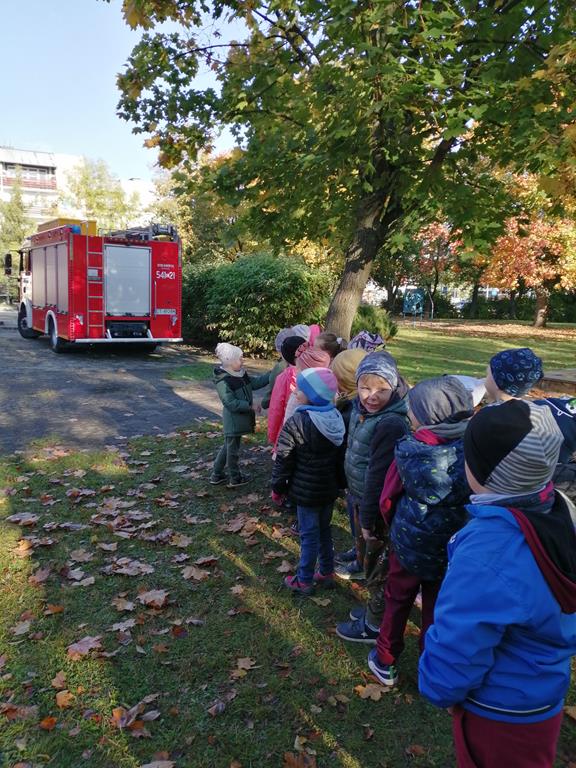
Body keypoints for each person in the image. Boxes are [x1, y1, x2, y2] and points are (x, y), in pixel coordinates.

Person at [419, 399, 576, 768]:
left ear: (484, 472)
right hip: (541, 695)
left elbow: (461, 639)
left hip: (496, 711)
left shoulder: (487, 552)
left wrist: (438, 687)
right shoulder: (562, 510)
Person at [367, 376, 473, 686]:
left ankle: (385, 659)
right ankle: (433, 664)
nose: (409, 413)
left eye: (413, 409)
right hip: (452, 548)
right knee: (437, 608)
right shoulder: (474, 450)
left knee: (397, 599)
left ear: (428, 415)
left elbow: (388, 498)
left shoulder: (408, 450)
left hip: (409, 546)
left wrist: (390, 526)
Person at [335, 351, 410, 642]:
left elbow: (378, 476)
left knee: (379, 568)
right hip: (359, 496)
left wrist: (368, 518)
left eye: (382, 389)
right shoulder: (360, 408)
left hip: (376, 507)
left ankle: (375, 625)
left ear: (394, 387)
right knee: (368, 561)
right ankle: (373, 611)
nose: (372, 396)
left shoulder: (390, 424)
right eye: (365, 388)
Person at [271, 367, 346, 595]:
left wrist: (278, 487)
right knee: (324, 530)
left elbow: (284, 459)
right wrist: (340, 484)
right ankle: (326, 571)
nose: (295, 391)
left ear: (312, 396)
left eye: (300, 389)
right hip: (328, 489)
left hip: (305, 492)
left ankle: (304, 579)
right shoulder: (337, 418)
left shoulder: (297, 422)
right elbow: (341, 458)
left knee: (308, 535)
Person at [210, 342, 271, 487]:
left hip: (239, 419)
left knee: (228, 446)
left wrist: (271, 374)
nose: (243, 360)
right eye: (240, 358)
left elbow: (255, 383)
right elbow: (229, 402)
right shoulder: (223, 380)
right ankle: (235, 478)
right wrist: (249, 406)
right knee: (232, 451)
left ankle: (216, 474)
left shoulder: (240, 374)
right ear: (229, 362)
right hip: (233, 421)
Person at [330, 348, 368, 565]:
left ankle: (361, 558)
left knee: (360, 519)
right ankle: (359, 550)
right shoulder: (354, 404)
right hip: (356, 477)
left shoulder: (353, 411)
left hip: (357, 479)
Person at [267, 335, 306, 449]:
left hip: (288, 429)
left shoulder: (284, 377)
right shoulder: (317, 371)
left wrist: (272, 435)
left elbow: (276, 408)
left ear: (285, 356)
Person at [283, 344, 332, 425]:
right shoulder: (331, 394)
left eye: (298, 368)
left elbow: (287, 425)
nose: (295, 370)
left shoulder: (296, 398)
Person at [260, 328, 293, 411]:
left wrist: (264, 402)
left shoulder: (281, 367)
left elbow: (273, 391)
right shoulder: (304, 362)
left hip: (283, 410)